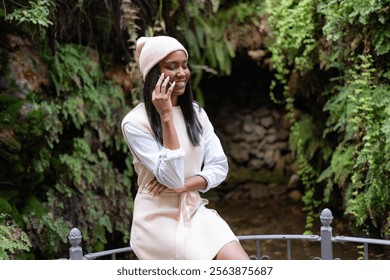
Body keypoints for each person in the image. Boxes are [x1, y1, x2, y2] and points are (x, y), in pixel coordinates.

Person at [121, 35, 250, 260]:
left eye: (184, 65)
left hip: (193, 208)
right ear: (154, 74)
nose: (182, 73)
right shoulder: (135, 123)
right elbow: (171, 177)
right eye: (172, 67)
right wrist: (166, 116)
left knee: (242, 264)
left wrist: (185, 186)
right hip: (157, 218)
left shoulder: (197, 114)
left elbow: (219, 166)